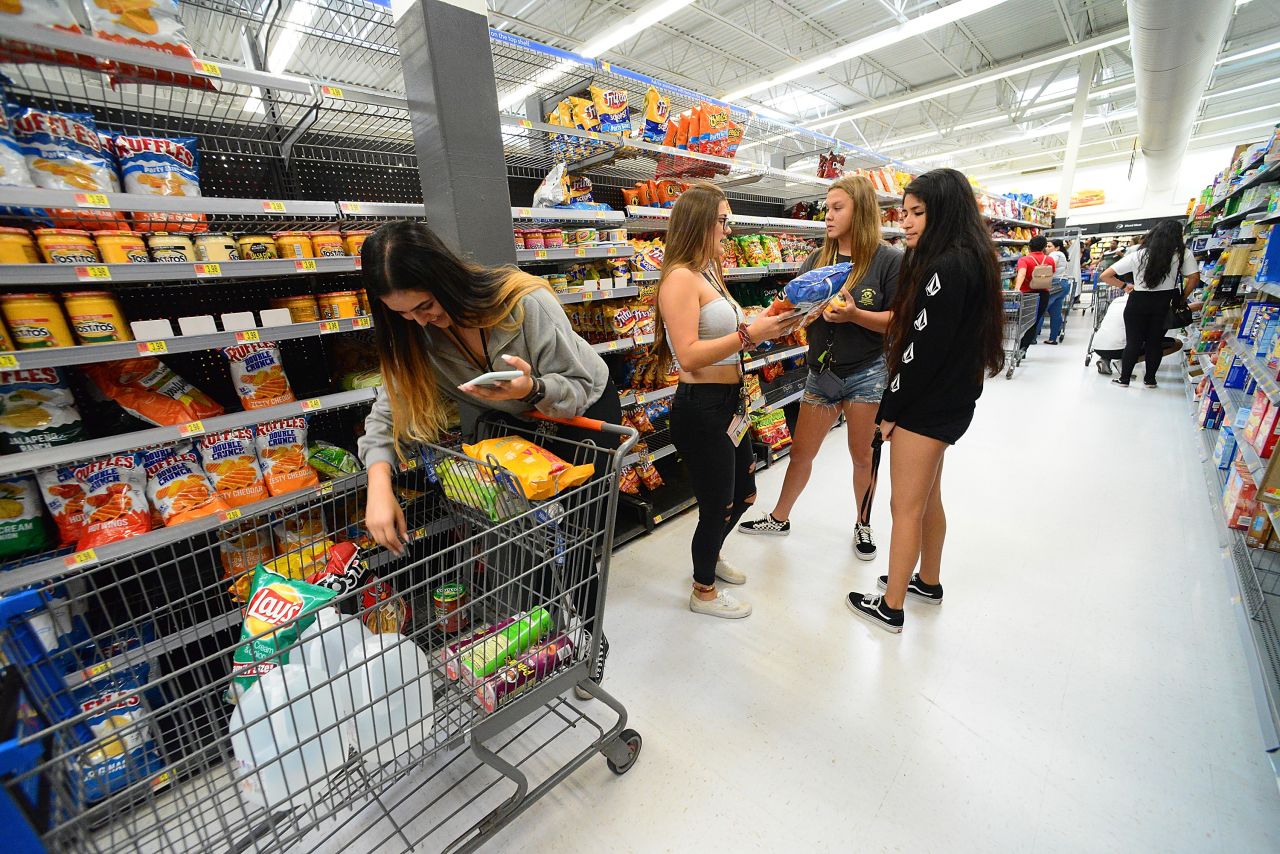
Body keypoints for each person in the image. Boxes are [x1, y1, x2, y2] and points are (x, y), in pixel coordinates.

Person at [355, 220, 620, 695]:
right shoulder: (416, 336)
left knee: (577, 540)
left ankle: (587, 637)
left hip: (581, 421)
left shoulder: (523, 304)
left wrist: (533, 389)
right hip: (514, 433)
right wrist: (379, 483)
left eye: (425, 305)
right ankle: (542, 638)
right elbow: (386, 411)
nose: (418, 320)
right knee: (528, 540)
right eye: (402, 313)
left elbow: (578, 388)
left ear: (447, 280)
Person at [844, 168, 1005, 634]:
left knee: (905, 506)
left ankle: (891, 606)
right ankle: (927, 582)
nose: (906, 223)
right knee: (928, 495)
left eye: (917, 213)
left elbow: (920, 350)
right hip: (952, 400)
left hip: (926, 405)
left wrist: (891, 411)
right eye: (905, 213)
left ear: (944, 213)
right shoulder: (970, 258)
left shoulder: (944, 267)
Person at [738, 174, 901, 561]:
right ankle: (780, 517)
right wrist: (781, 319)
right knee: (801, 453)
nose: (827, 216)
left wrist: (856, 315)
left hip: (867, 373)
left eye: (837, 208)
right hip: (821, 373)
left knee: (863, 457)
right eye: (827, 208)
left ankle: (863, 524)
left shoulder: (888, 260)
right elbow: (799, 313)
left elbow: (898, 319)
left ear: (860, 211)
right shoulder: (817, 260)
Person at [656, 183, 800, 619]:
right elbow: (689, 354)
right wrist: (747, 335)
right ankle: (703, 591)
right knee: (717, 503)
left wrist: (767, 319)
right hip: (701, 407)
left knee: (746, 494)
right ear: (700, 221)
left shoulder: (709, 274)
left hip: (730, 403)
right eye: (723, 220)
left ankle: (710, 556)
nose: (729, 228)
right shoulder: (681, 278)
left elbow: (733, 333)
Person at [1098, 220, 1200, 388]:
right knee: (1155, 342)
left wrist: (1124, 286)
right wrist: (1182, 298)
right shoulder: (1183, 254)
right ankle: (1150, 380)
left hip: (1137, 301)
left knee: (1133, 342)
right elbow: (1194, 278)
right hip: (1164, 302)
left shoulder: (1138, 254)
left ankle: (1124, 379)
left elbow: (1106, 275)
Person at [1089, 291, 1184, 375]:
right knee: (1175, 344)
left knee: (1118, 334)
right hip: (1121, 349)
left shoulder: (1117, 300)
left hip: (1098, 346)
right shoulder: (1144, 304)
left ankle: (1105, 360)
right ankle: (1124, 363)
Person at [1016, 235, 1055, 351]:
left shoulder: (1025, 260)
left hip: (1028, 294)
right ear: (1043, 247)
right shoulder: (1050, 260)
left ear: (1029, 247)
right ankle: (1024, 347)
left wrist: (1017, 288)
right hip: (1043, 294)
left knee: (1023, 320)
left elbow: (1022, 273)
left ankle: (1018, 346)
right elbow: (1051, 274)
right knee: (1034, 321)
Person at [1038, 238, 1071, 345]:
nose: (1047, 248)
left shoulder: (1055, 254)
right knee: (1056, 312)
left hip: (1055, 285)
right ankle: (1053, 338)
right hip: (1063, 284)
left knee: (1041, 310)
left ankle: (1033, 337)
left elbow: (1051, 267)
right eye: (1046, 246)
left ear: (1057, 247)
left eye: (1049, 246)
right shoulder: (1062, 255)